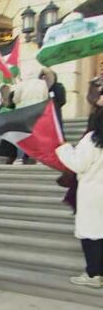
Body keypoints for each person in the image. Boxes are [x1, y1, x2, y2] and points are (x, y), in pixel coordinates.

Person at [56, 106, 103, 288]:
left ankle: (92, 274)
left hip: (92, 193)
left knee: (90, 234)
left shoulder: (91, 140)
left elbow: (78, 164)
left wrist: (64, 149)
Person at [41, 67, 66, 134]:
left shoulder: (58, 87)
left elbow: (62, 100)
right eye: (43, 76)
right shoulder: (40, 88)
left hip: (54, 113)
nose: (45, 78)